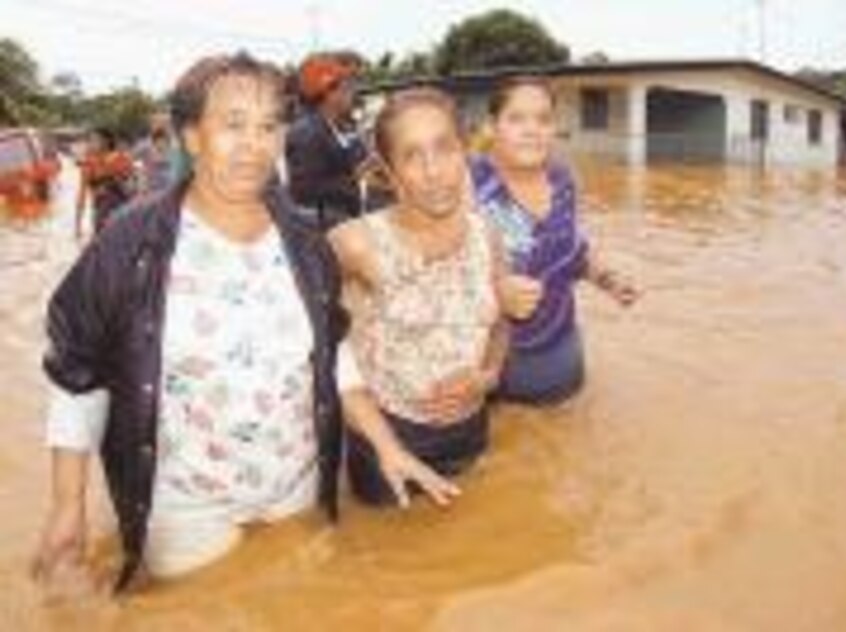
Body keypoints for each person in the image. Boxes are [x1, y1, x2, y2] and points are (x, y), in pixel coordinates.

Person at [31, 53, 451, 593]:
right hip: (185, 503)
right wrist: (68, 506)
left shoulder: (304, 242)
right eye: (233, 125)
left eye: (269, 126)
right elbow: (77, 375)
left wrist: (388, 446)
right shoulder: (127, 242)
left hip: (295, 486)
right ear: (191, 136)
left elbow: (334, 354)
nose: (253, 144)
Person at [329, 88, 509, 507]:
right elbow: (319, 345)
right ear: (389, 173)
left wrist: (488, 377)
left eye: (444, 148)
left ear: (465, 151)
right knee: (389, 561)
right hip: (387, 442)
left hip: (471, 430)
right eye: (412, 156)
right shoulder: (355, 243)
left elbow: (500, 324)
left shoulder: (487, 236)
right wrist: (384, 444)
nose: (434, 171)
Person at [470, 76, 638, 405]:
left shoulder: (563, 180)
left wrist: (608, 280)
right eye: (517, 118)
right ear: (493, 126)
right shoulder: (467, 183)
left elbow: (570, 251)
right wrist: (492, 292)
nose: (532, 129)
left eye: (543, 119)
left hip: (560, 361)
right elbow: (426, 273)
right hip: (487, 371)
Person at [285, 55, 369, 230]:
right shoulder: (307, 133)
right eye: (347, 88)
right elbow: (304, 191)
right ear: (329, 93)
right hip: (326, 234)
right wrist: (356, 176)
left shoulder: (339, 125)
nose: (353, 94)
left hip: (346, 224)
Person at [74, 127, 136, 239]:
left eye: (95, 140)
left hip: (121, 212)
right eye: (90, 140)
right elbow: (81, 195)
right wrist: (78, 225)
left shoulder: (121, 159)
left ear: (106, 142)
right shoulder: (88, 165)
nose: (91, 144)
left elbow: (133, 187)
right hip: (100, 214)